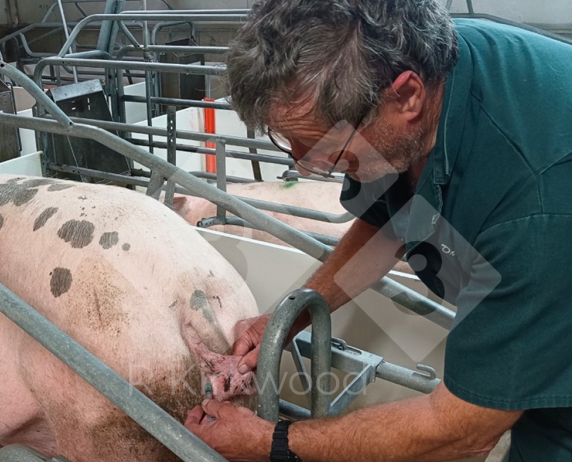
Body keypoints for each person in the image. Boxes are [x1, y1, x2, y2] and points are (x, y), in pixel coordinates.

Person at [184, 1, 572, 461]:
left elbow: (462, 431)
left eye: (324, 144)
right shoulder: (413, 70)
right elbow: (390, 221)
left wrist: (269, 443)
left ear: (407, 97)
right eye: (289, 141)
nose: (303, 165)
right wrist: (289, 318)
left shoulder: (538, 206)